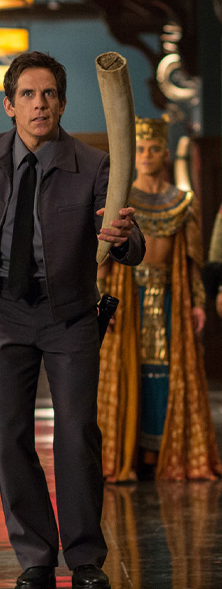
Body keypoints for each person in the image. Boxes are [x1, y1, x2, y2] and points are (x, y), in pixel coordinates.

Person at [0, 51, 144, 589]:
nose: (39, 103)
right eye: (27, 94)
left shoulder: (93, 164)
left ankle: (86, 557)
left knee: (75, 434)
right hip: (3, 315)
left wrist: (125, 238)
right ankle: (35, 556)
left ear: (62, 103)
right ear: (9, 105)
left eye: (48, 94)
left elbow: (129, 241)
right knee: (9, 437)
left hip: (69, 316)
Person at [97, 116, 221, 482]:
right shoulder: (120, 199)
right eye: (141, 149)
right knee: (127, 372)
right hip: (127, 299)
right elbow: (103, 258)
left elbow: (193, 261)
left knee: (169, 374)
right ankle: (131, 455)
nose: (147, 155)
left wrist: (198, 302)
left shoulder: (183, 202)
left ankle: (167, 453)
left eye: (153, 149)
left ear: (165, 154)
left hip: (171, 300)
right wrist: (102, 299)